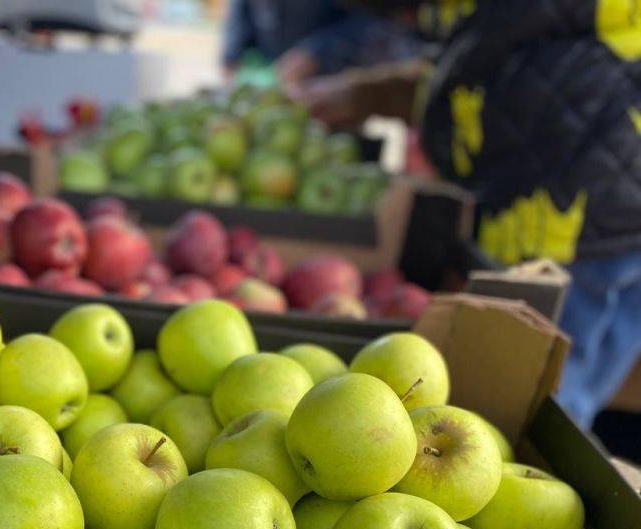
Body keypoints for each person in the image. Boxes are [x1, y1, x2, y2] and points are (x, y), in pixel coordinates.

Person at [281, 0, 641, 429]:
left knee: (539, 411)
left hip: (577, 218)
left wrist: (379, 93)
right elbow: (492, 57)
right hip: (580, 200)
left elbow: (494, 64)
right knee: (552, 394)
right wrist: (372, 93)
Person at [222, 0, 421, 84]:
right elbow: (240, 18)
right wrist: (232, 56)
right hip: (274, 82)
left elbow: (370, 21)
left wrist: (315, 52)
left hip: (336, 85)